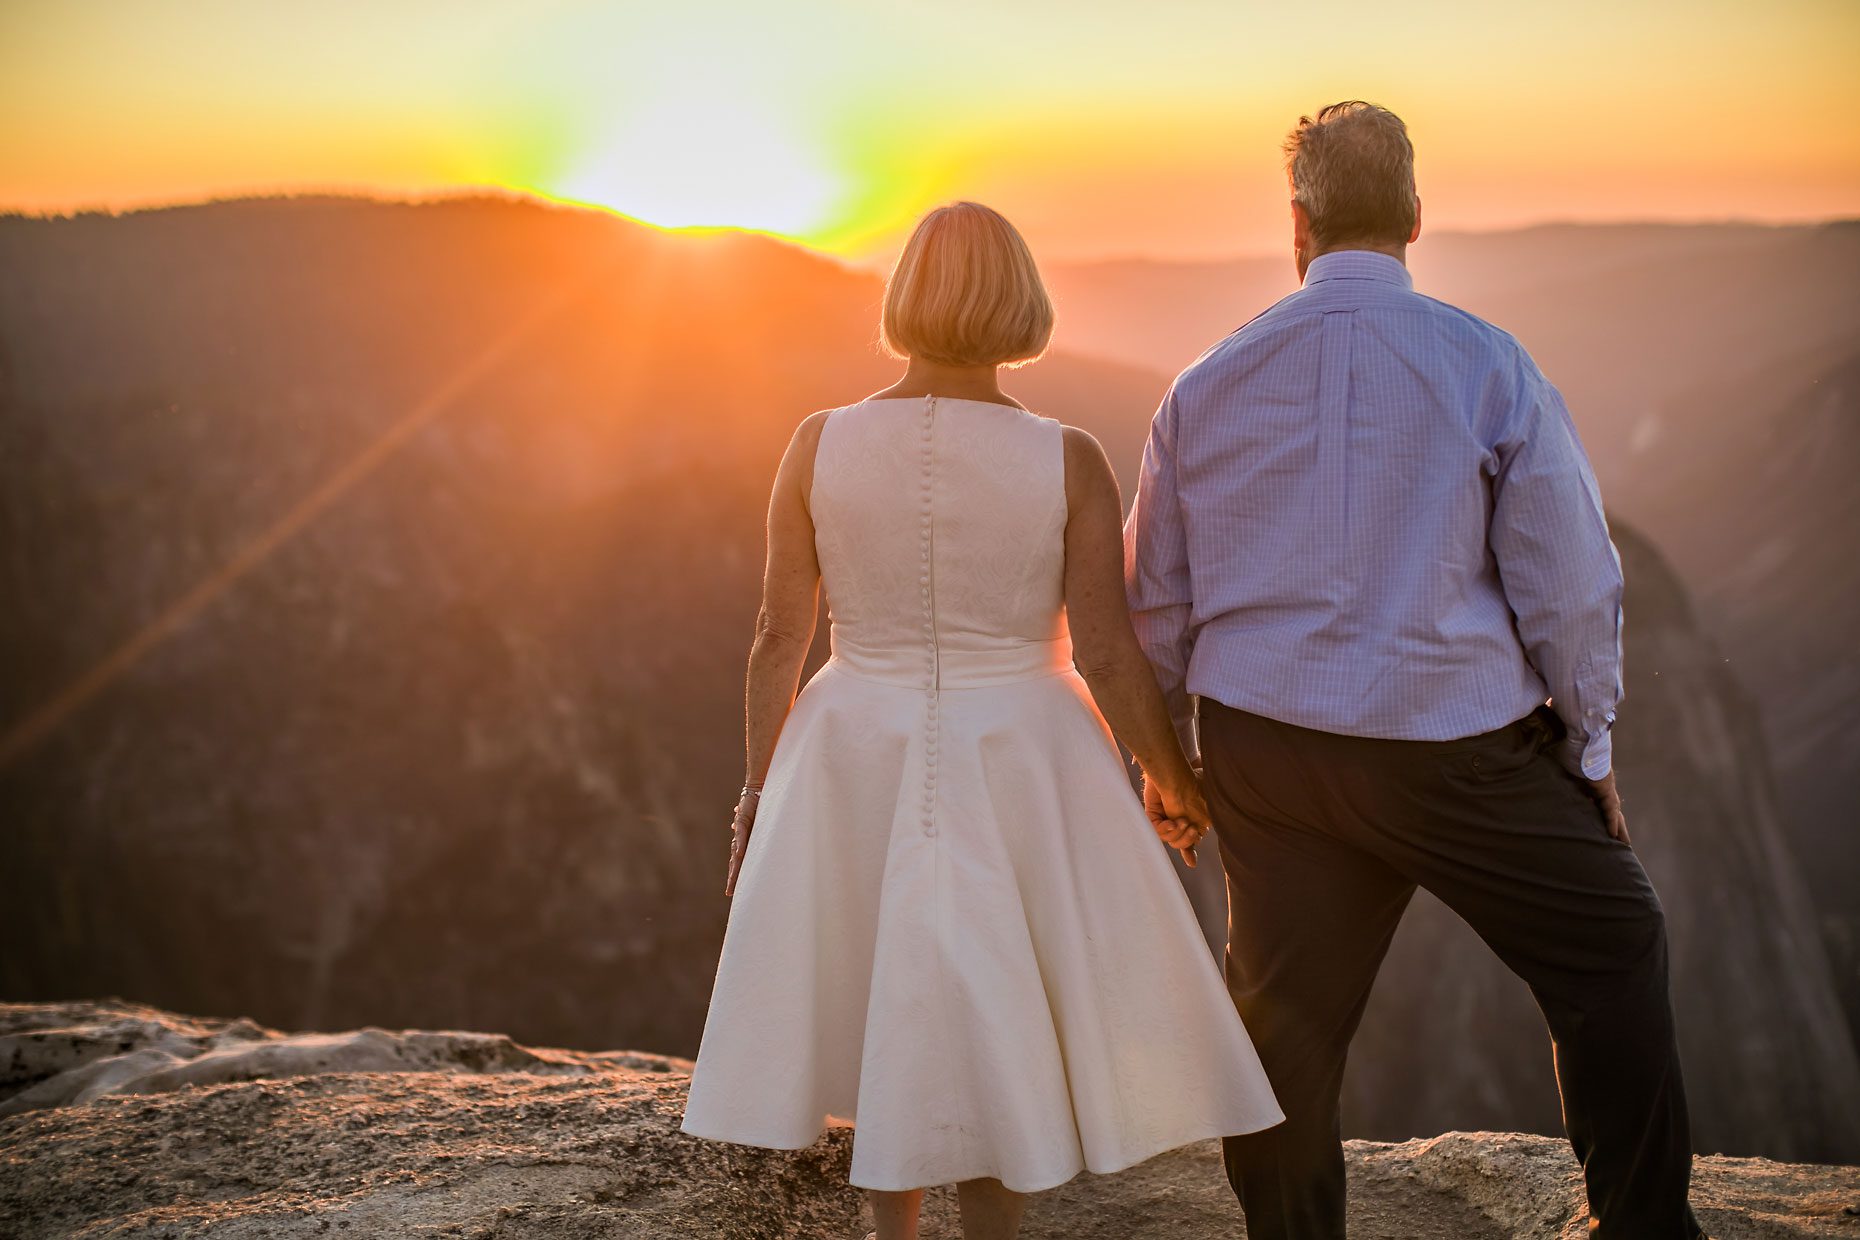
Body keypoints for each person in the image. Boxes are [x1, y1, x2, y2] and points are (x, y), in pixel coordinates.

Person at [1123, 101, 1706, 1239]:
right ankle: (1640, 1228)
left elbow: (1158, 599)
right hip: (1454, 750)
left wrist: (1168, 764)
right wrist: (1589, 748)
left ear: (1297, 225)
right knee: (1614, 946)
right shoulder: (1487, 366)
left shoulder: (1203, 386)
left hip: (1267, 754)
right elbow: (1570, 585)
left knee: (1282, 1034)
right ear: (1416, 217)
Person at [680, 201, 1283, 1240]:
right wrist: (1174, 782)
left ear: (904, 297)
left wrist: (757, 794)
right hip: (1023, 748)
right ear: (1021, 301)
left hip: (851, 740)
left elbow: (780, 635)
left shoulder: (817, 444)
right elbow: (1103, 653)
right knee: (995, 1017)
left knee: (888, 999)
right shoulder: (1068, 458)